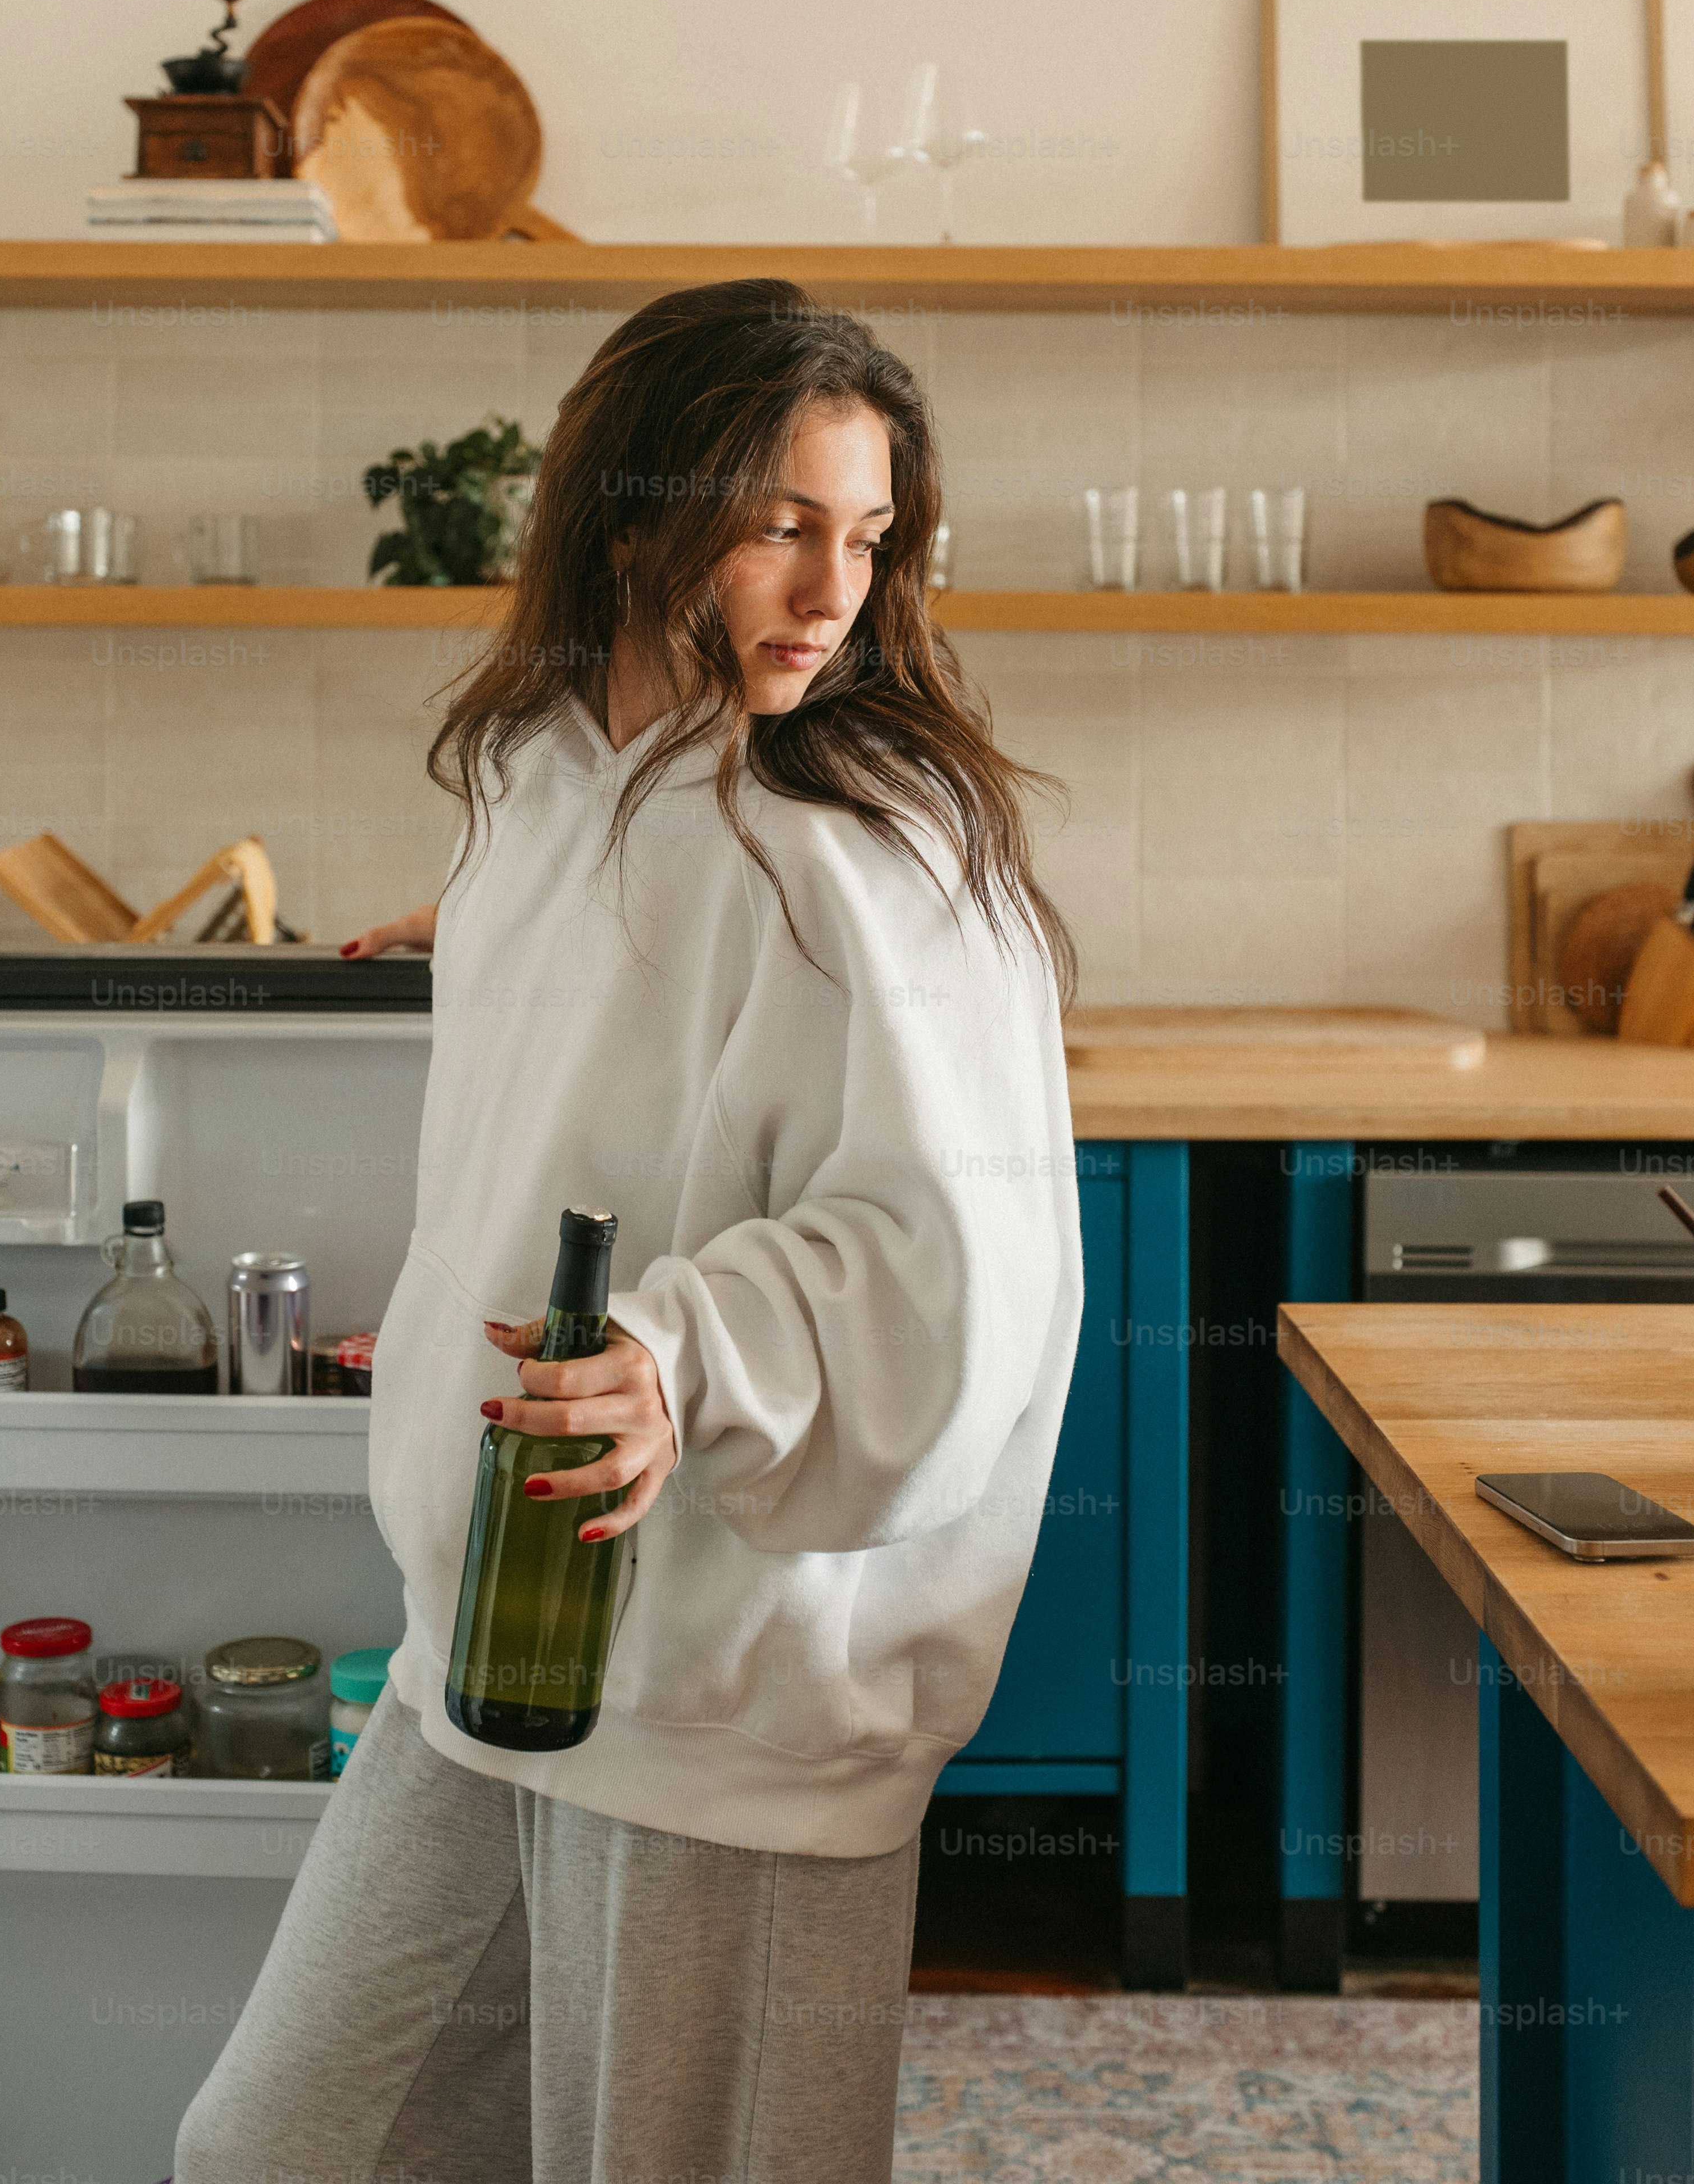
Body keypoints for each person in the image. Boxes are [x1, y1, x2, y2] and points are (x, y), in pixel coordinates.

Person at [177, 279, 1082, 2182]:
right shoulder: (537, 779)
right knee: (283, 2148)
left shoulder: (862, 849)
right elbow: (650, 995)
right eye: (782, 526)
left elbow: (951, 1272)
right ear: (632, 516)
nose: (833, 591)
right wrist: (517, 958)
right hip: (484, 1650)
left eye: (868, 536)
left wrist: (686, 1353)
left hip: (735, 1694)